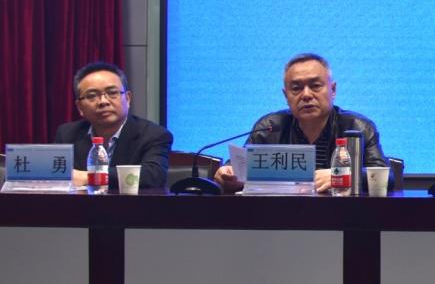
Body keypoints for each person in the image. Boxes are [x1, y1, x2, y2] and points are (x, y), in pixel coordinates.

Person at [214, 53, 388, 193]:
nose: (306, 95)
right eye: (296, 88)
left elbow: (385, 176)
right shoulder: (269, 127)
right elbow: (240, 167)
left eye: (315, 86)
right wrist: (227, 173)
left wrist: (340, 176)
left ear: (333, 90)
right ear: (286, 95)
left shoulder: (357, 127)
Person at [53, 61, 173, 190]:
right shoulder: (67, 134)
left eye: (112, 93)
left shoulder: (154, 135)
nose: (103, 101)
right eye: (92, 96)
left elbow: (153, 175)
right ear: (79, 107)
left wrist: (89, 177)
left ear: (128, 99)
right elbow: (54, 174)